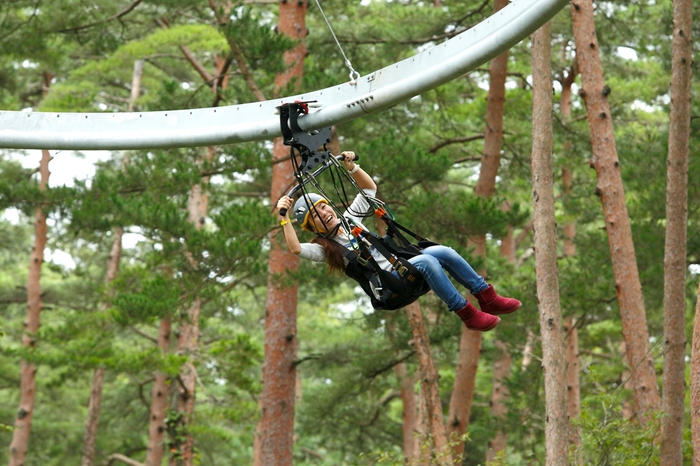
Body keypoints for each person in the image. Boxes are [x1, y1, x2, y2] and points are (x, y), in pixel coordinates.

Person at [275, 151, 521, 331]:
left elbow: (369, 189)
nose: (325, 214)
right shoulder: (324, 249)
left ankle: (487, 296)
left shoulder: (351, 220)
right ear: (311, 226)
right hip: (390, 286)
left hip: (401, 266)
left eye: (324, 207)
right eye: (316, 215)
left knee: (443, 252)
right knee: (427, 262)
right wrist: (285, 219)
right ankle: (466, 313)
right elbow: (296, 249)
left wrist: (352, 168)